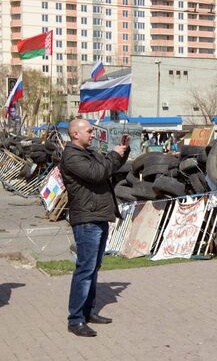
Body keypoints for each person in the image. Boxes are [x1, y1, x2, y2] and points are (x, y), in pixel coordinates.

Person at [60, 118, 130, 337]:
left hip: (98, 216)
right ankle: (76, 319)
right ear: (75, 134)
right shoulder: (72, 156)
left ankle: (88, 312)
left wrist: (123, 151)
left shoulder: (89, 153)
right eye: (89, 131)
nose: (92, 134)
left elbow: (109, 167)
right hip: (87, 219)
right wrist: (114, 154)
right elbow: (98, 173)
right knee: (85, 269)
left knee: (94, 268)